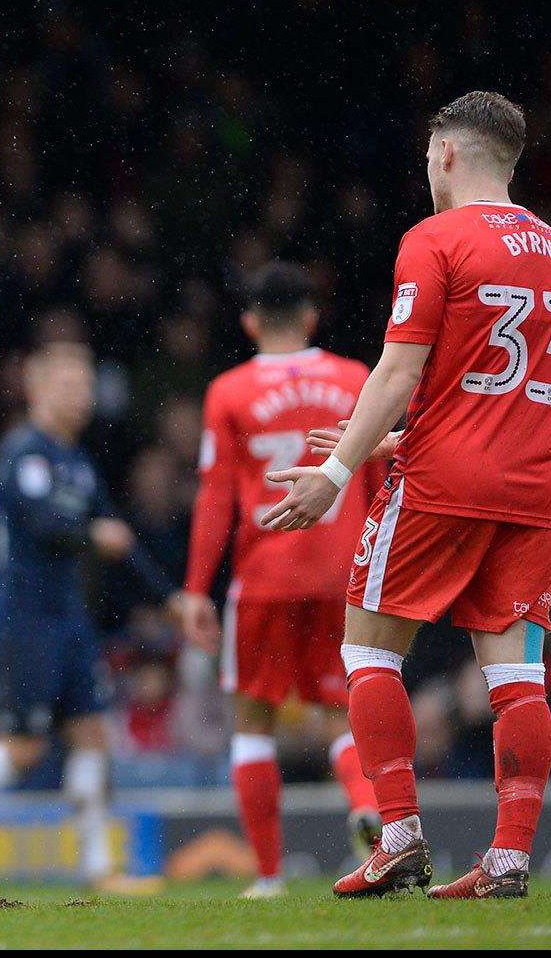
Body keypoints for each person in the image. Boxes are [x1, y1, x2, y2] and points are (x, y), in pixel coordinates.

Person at [263, 92, 551, 899]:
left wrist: (339, 472)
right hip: (534, 487)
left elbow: (401, 371)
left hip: (443, 486)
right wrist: (392, 437)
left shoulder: (434, 238)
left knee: (369, 647)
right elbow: (497, 391)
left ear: (445, 154)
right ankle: (509, 859)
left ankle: (399, 836)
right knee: (517, 679)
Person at [0, 342, 173, 896]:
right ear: (37, 389)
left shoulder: (78, 462)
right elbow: (41, 520)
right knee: (25, 747)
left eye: (86, 385)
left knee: (92, 734)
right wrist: (91, 535)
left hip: (68, 617)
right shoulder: (22, 454)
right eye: (68, 385)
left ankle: (100, 869)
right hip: (25, 617)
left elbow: (117, 537)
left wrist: (171, 598)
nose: (80, 395)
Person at [175, 262, 383, 899]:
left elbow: (215, 498)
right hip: (343, 571)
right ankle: (367, 805)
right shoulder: (357, 379)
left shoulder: (229, 391)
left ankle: (268, 876)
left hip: (265, 576)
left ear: (250, 322)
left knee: (254, 722)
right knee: (348, 711)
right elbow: (379, 482)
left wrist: (194, 589)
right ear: (313, 317)